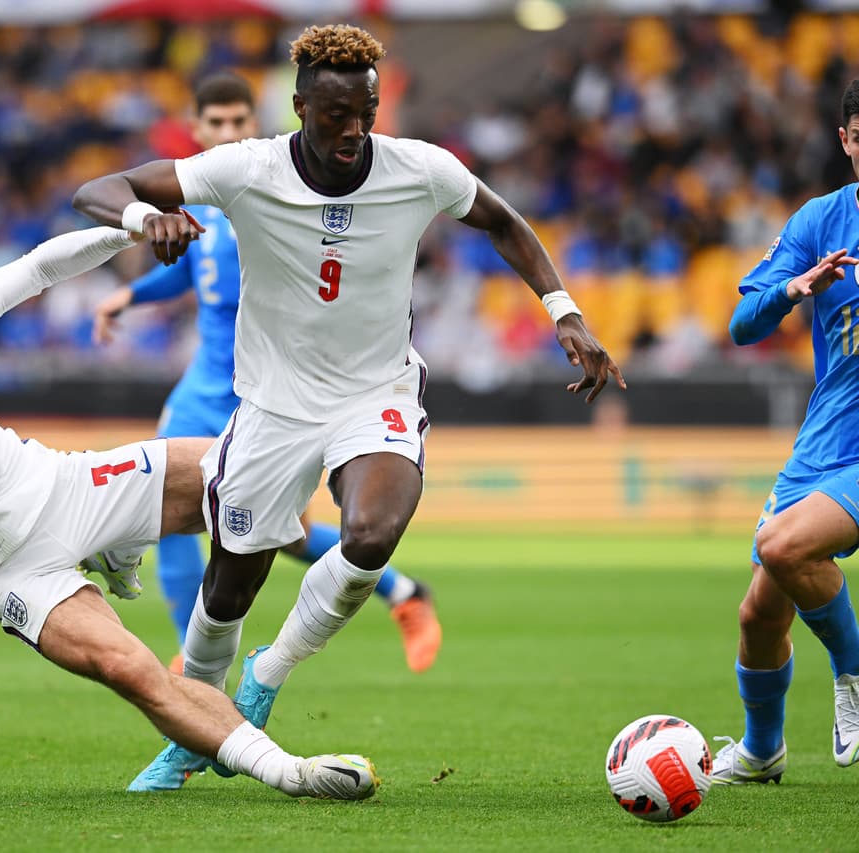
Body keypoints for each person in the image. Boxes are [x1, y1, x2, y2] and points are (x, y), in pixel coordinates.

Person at [73, 24, 624, 791]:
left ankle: (266, 679)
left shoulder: (417, 167)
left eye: (365, 112)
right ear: (301, 107)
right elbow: (100, 189)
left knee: (372, 532)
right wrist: (144, 220)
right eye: (336, 116)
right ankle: (193, 729)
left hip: (376, 392)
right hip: (273, 404)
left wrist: (563, 310)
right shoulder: (248, 168)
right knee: (230, 585)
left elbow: (502, 220)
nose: (354, 130)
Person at [0, 208, 379, 801]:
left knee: (257, 485)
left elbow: (39, 267)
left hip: (66, 486)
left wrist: (132, 229)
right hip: (10, 569)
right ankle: (291, 773)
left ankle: (260, 670)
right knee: (131, 668)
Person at [93, 71, 442, 678]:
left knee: (281, 534)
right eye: (216, 123)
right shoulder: (205, 197)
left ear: (255, 124)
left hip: (271, 392)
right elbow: (192, 270)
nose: (228, 132)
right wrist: (135, 296)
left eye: (238, 122)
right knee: (167, 515)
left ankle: (402, 592)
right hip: (202, 385)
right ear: (196, 129)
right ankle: (188, 662)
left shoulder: (261, 193)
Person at [713, 80, 859, 784]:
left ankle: (854, 675)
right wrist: (796, 288)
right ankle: (762, 751)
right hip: (825, 443)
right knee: (757, 615)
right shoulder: (821, 221)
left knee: (782, 543)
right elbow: (742, 326)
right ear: (846, 141)